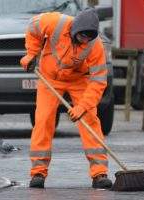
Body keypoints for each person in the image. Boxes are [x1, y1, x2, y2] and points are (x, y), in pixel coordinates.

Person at [20, 8, 112, 189]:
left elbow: (98, 82)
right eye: (82, 36)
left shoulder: (96, 45)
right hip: (50, 79)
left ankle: (99, 173)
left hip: (79, 80)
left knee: (90, 119)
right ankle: (38, 172)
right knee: (44, 120)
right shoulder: (54, 22)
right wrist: (31, 53)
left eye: (88, 38)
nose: (85, 41)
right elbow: (33, 27)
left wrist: (83, 106)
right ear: (75, 29)